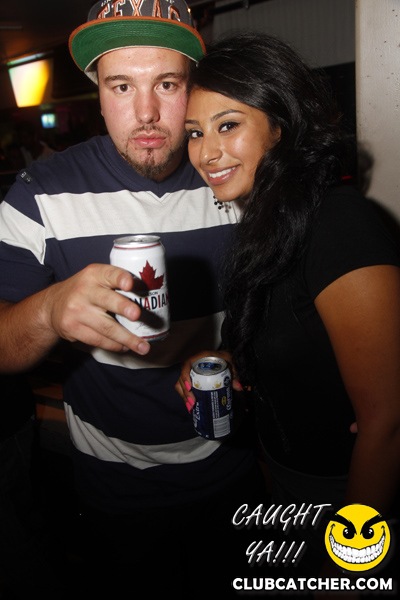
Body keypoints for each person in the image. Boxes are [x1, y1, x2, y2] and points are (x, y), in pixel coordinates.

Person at [0, 6, 268, 598]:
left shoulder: (235, 177)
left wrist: (240, 356)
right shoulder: (38, 195)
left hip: (233, 473)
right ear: (98, 93)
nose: (145, 112)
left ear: (193, 86)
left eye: (167, 84)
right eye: (122, 86)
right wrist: (48, 310)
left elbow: (278, 311)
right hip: (112, 493)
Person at [177, 31, 400, 587]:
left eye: (228, 125)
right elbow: (294, 338)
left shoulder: (338, 224)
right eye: (195, 132)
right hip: (288, 482)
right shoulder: (267, 223)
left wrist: (349, 569)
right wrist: (228, 361)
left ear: (281, 125)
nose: (206, 152)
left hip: (350, 498)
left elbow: (388, 424)